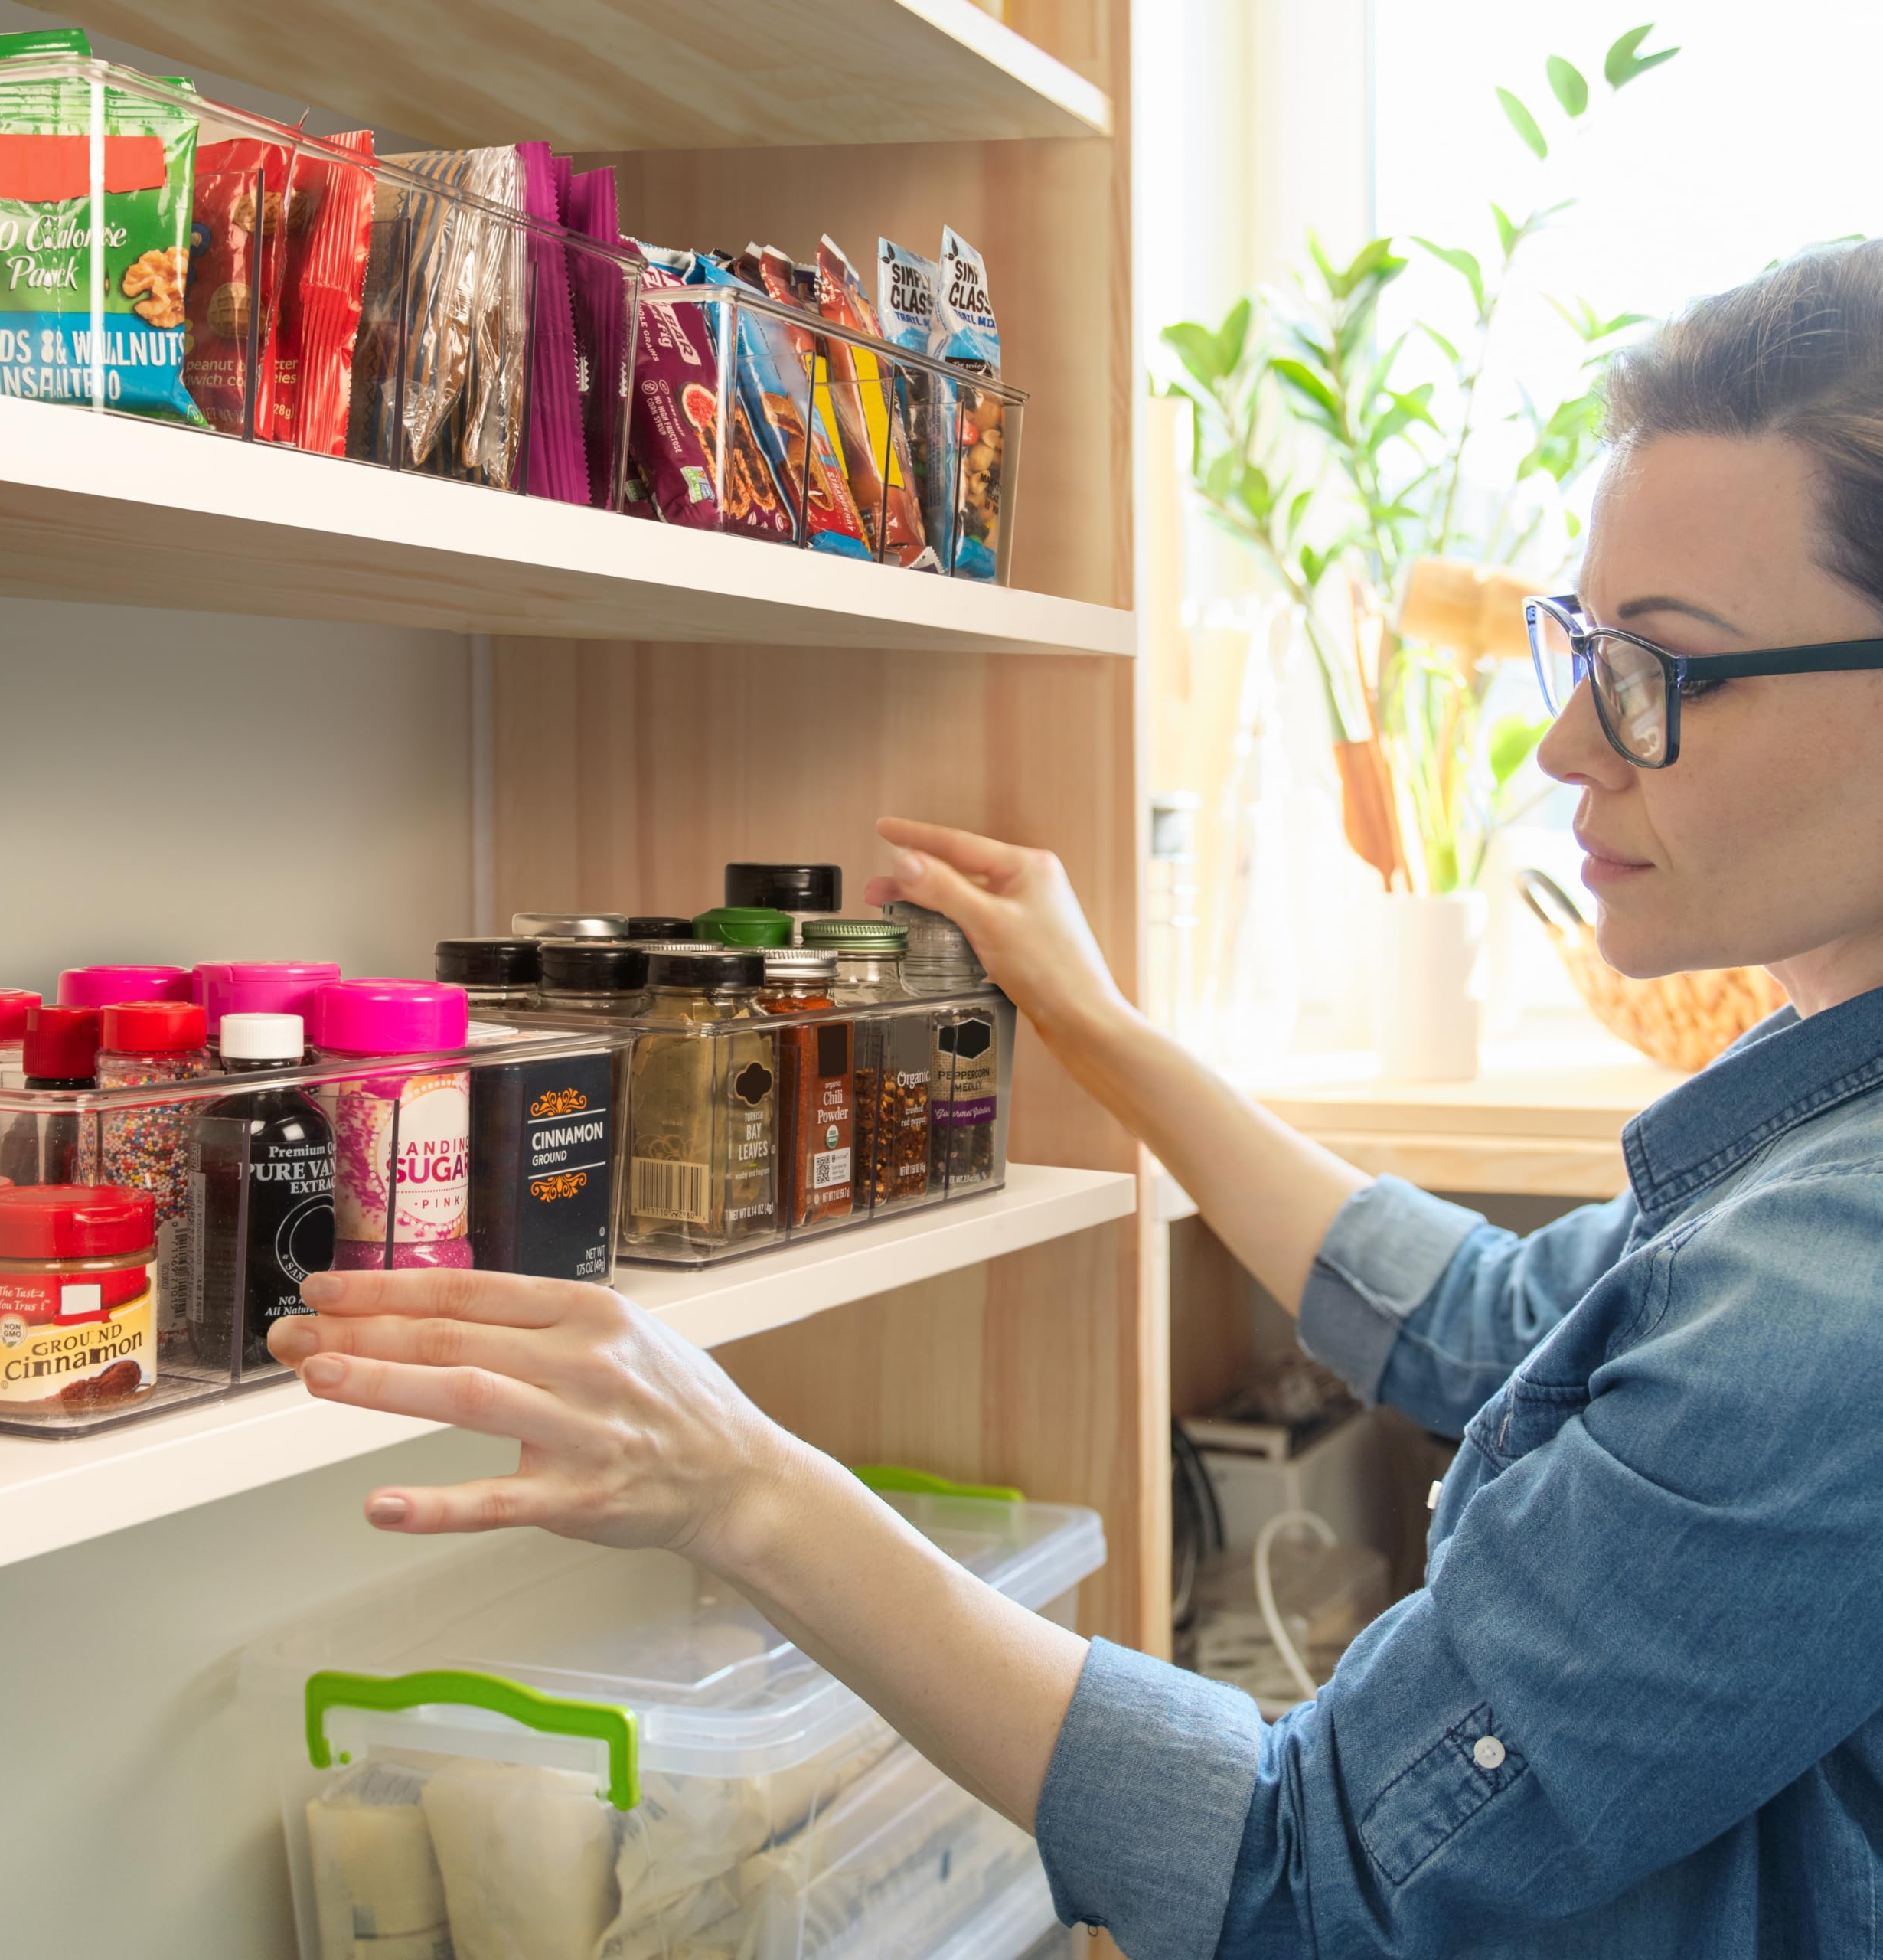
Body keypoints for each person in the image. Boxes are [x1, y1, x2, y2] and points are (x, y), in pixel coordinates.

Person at [269, 241, 1883, 1957]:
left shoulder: (1828, 1282)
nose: (1564, 743)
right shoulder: (1792, 1134)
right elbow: (1494, 1323)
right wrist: (1098, 1028)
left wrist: (742, 1482)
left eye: (1656, 670)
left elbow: (1310, 1875)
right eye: (1578, 646)